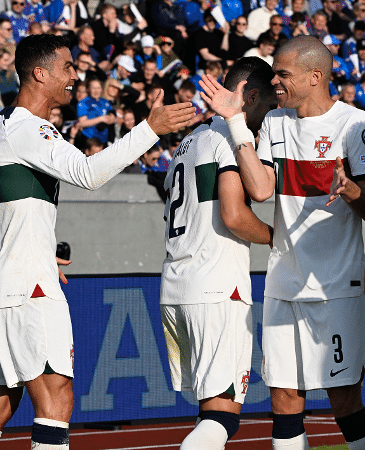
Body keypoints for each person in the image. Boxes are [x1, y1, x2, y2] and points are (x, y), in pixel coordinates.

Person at [0, 33, 195, 450]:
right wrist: (149, 130)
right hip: (25, 286)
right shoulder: (30, 130)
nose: (75, 75)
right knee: (56, 399)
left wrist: (38, 250)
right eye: (67, 67)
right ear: (40, 73)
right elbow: (89, 174)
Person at [200, 34, 365, 450]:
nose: (275, 81)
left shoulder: (353, 125)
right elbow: (259, 190)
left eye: (283, 73)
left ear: (315, 77)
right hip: (283, 285)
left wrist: (352, 193)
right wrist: (236, 121)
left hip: (336, 288)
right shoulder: (275, 122)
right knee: (284, 399)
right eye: (273, 73)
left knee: (344, 397)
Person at [160, 56, 276, 450]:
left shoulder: (187, 143)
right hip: (216, 287)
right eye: (270, 103)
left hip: (177, 285)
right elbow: (235, 215)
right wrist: (279, 238)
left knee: (210, 410)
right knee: (223, 416)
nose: (272, 113)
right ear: (252, 96)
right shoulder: (229, 138)